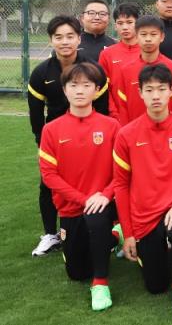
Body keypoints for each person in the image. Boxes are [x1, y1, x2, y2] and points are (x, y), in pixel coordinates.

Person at [112, 64, 172, 314]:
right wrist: (129, 233)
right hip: (143, 214)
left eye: (161, 89)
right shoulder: (126, 134)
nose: (155, 96)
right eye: (149, 90)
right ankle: (145, 247)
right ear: (140, 93)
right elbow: (121, 185)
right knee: (155, 285)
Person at [37, 62, 120, 311]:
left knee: (96, 219)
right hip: (72, 207)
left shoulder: (111, 126)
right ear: (65, 90)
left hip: (104, 203)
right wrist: (84, 199)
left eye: (86, 85)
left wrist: (105, 195)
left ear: (96, 90)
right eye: (74, 85)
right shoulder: (51, 130)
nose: (80, 90)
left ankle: (100, 283)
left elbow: (122, 172)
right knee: (76, 273)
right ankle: (114, 237)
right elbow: (49, 175)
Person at [28, 15, 110, 257]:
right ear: (51, 40)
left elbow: (103, 109)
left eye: (70, 36)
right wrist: (41, 144)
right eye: (58, 37)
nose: (65, 42)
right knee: (48, 183)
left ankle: (103, 229)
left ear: (79, 38)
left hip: (92, 136)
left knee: (97, 181)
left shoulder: (94, 69)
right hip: (56, 138)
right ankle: (49, 234)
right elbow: (35, 115)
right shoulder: (41, 72)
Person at [111, 16, 172, 125]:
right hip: (135, 132)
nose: (148, 39)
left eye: (153, 34)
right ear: (136, 36)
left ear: (162, 37)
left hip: (168, 130)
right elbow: (122, 107)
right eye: (143, 34)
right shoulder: (126, 70)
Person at [99, 3, 141, 79]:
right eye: (120, 23)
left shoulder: (148, 51)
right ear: (115, 26)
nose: (125, 27)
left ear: (138, 24)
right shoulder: (106, 54)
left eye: (129, 22)